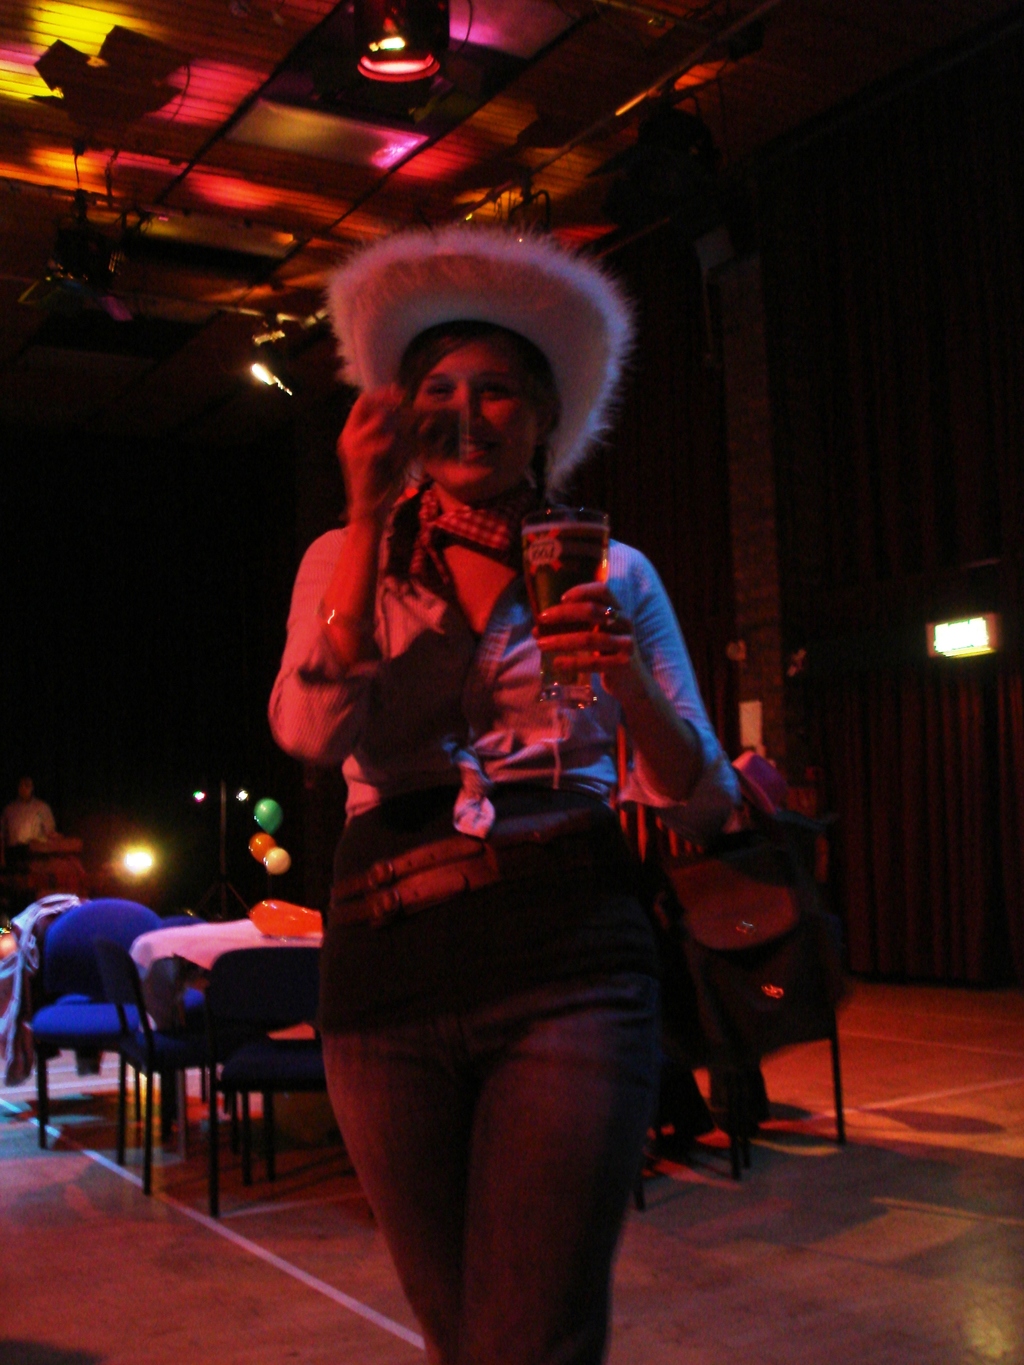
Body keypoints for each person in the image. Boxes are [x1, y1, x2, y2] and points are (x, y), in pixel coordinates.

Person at [269, 226, 739, 1365]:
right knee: (461, 1335)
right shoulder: (343, 557)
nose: (466, 413)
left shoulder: (610, 568)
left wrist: (625, 676)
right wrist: (368, 518)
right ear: (398, 415)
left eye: (496, 391)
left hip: (567, 950)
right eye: (436, 390)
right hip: (385, 962)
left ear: (542, 418)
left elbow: (704, 801)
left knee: (534, 1336)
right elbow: (310, 735)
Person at [1, 778, 56, 859]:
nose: (24, 788)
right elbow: (2, 835)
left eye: (27, 785)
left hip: (36, 854)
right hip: (13, 854)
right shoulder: (9, 810)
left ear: (32, 787)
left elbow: (49, 831)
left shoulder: (41, 808)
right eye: (21, 785)